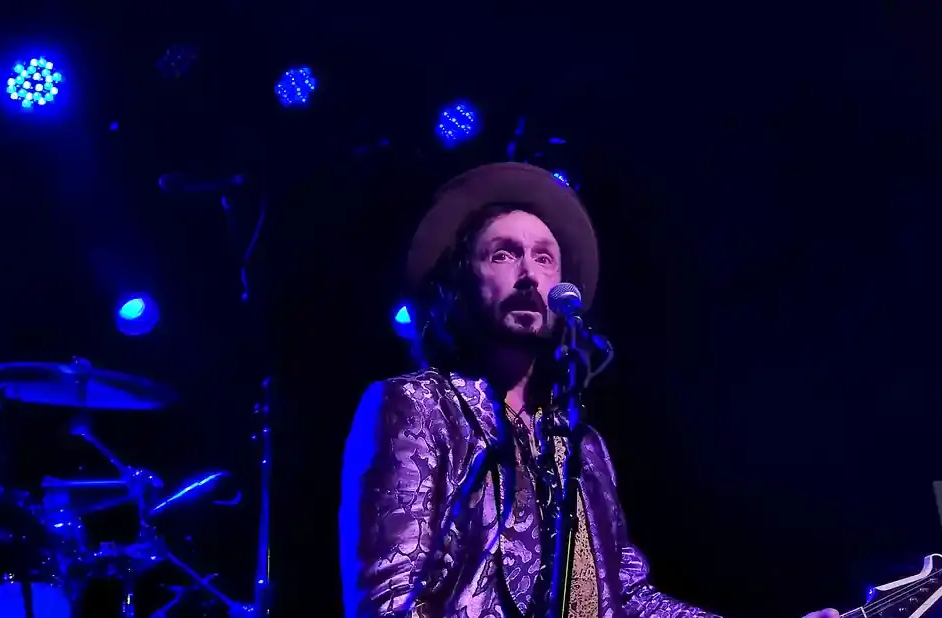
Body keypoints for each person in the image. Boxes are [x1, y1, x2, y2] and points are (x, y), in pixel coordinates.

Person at [339, 163, 839, 618]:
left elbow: (629, 600)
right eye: (503, 255)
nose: (530, 276)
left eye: (544, 258)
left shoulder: (581, 445)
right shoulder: (416, 406)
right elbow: (390, 599)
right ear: (459, 283)